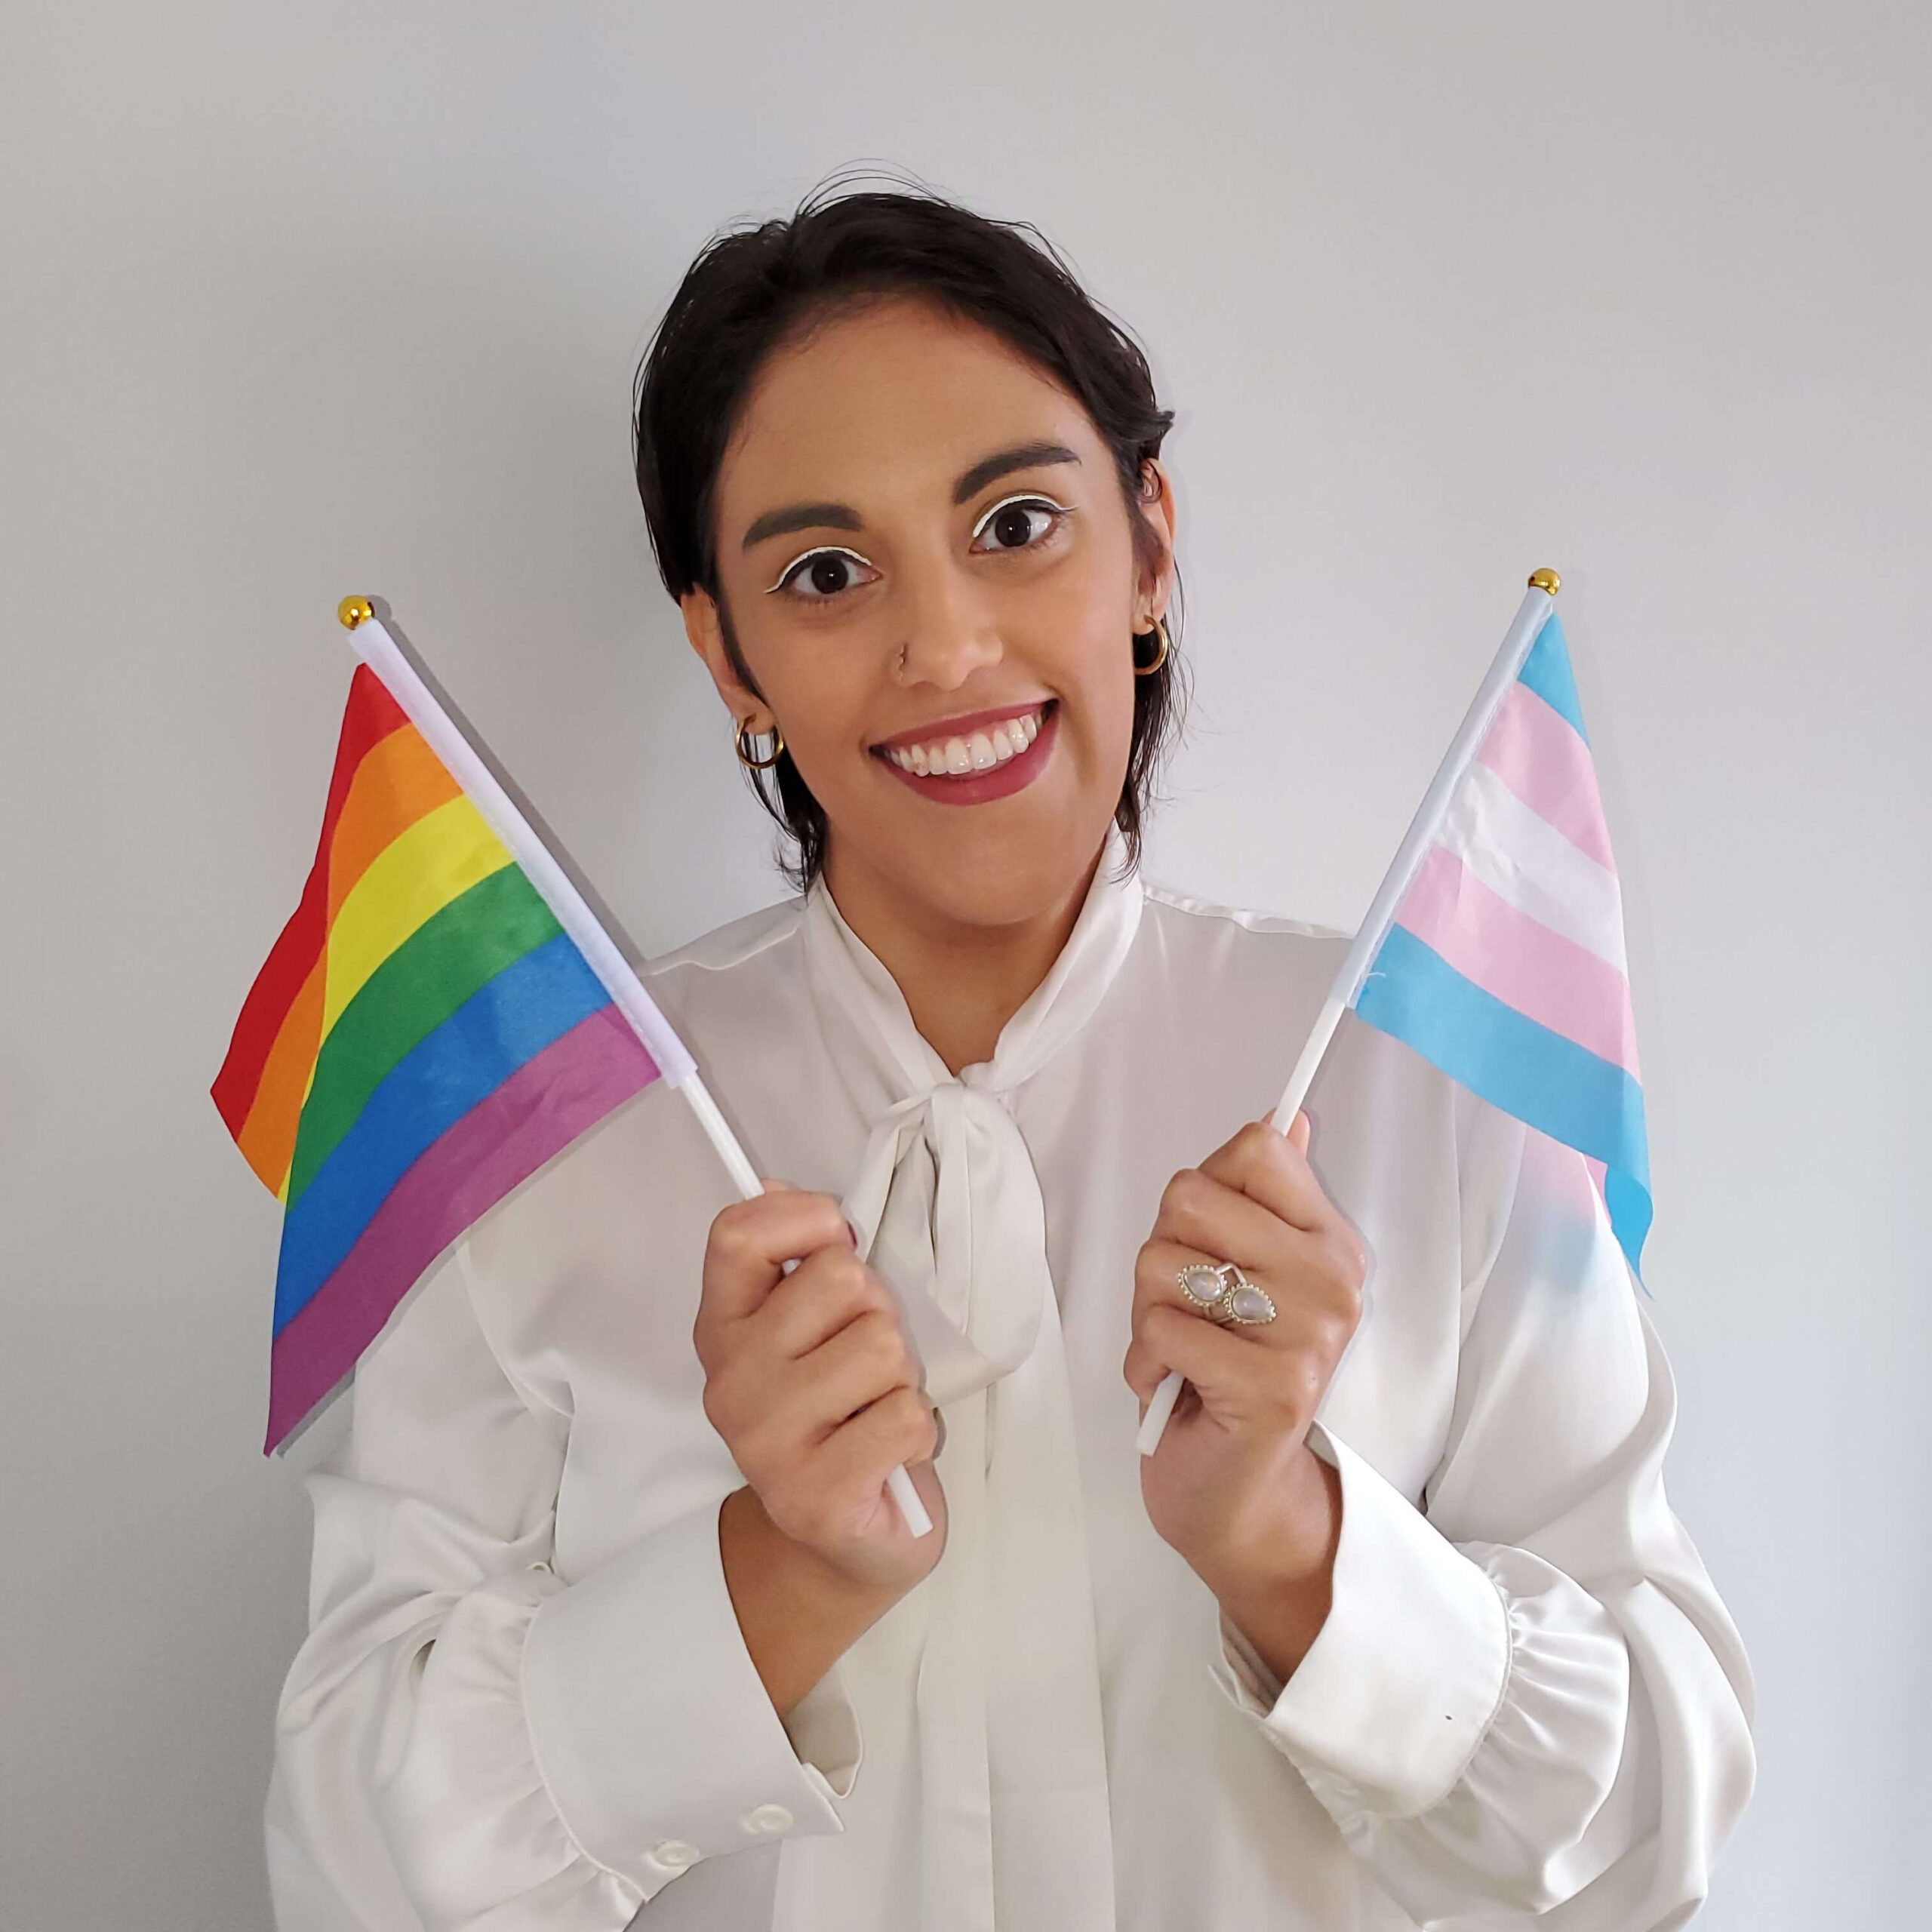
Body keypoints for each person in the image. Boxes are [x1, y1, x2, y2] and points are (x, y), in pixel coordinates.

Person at [264, 182, 1755, 1932]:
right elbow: (348, 1868)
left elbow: (1655, 1836)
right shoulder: (545, 1140)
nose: (945, 645)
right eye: (824, 572)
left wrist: (1290, 1541)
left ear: (1147, 544)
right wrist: (773, 1575)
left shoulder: (1420, 1081)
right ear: (724, 654)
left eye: (1016, 522)